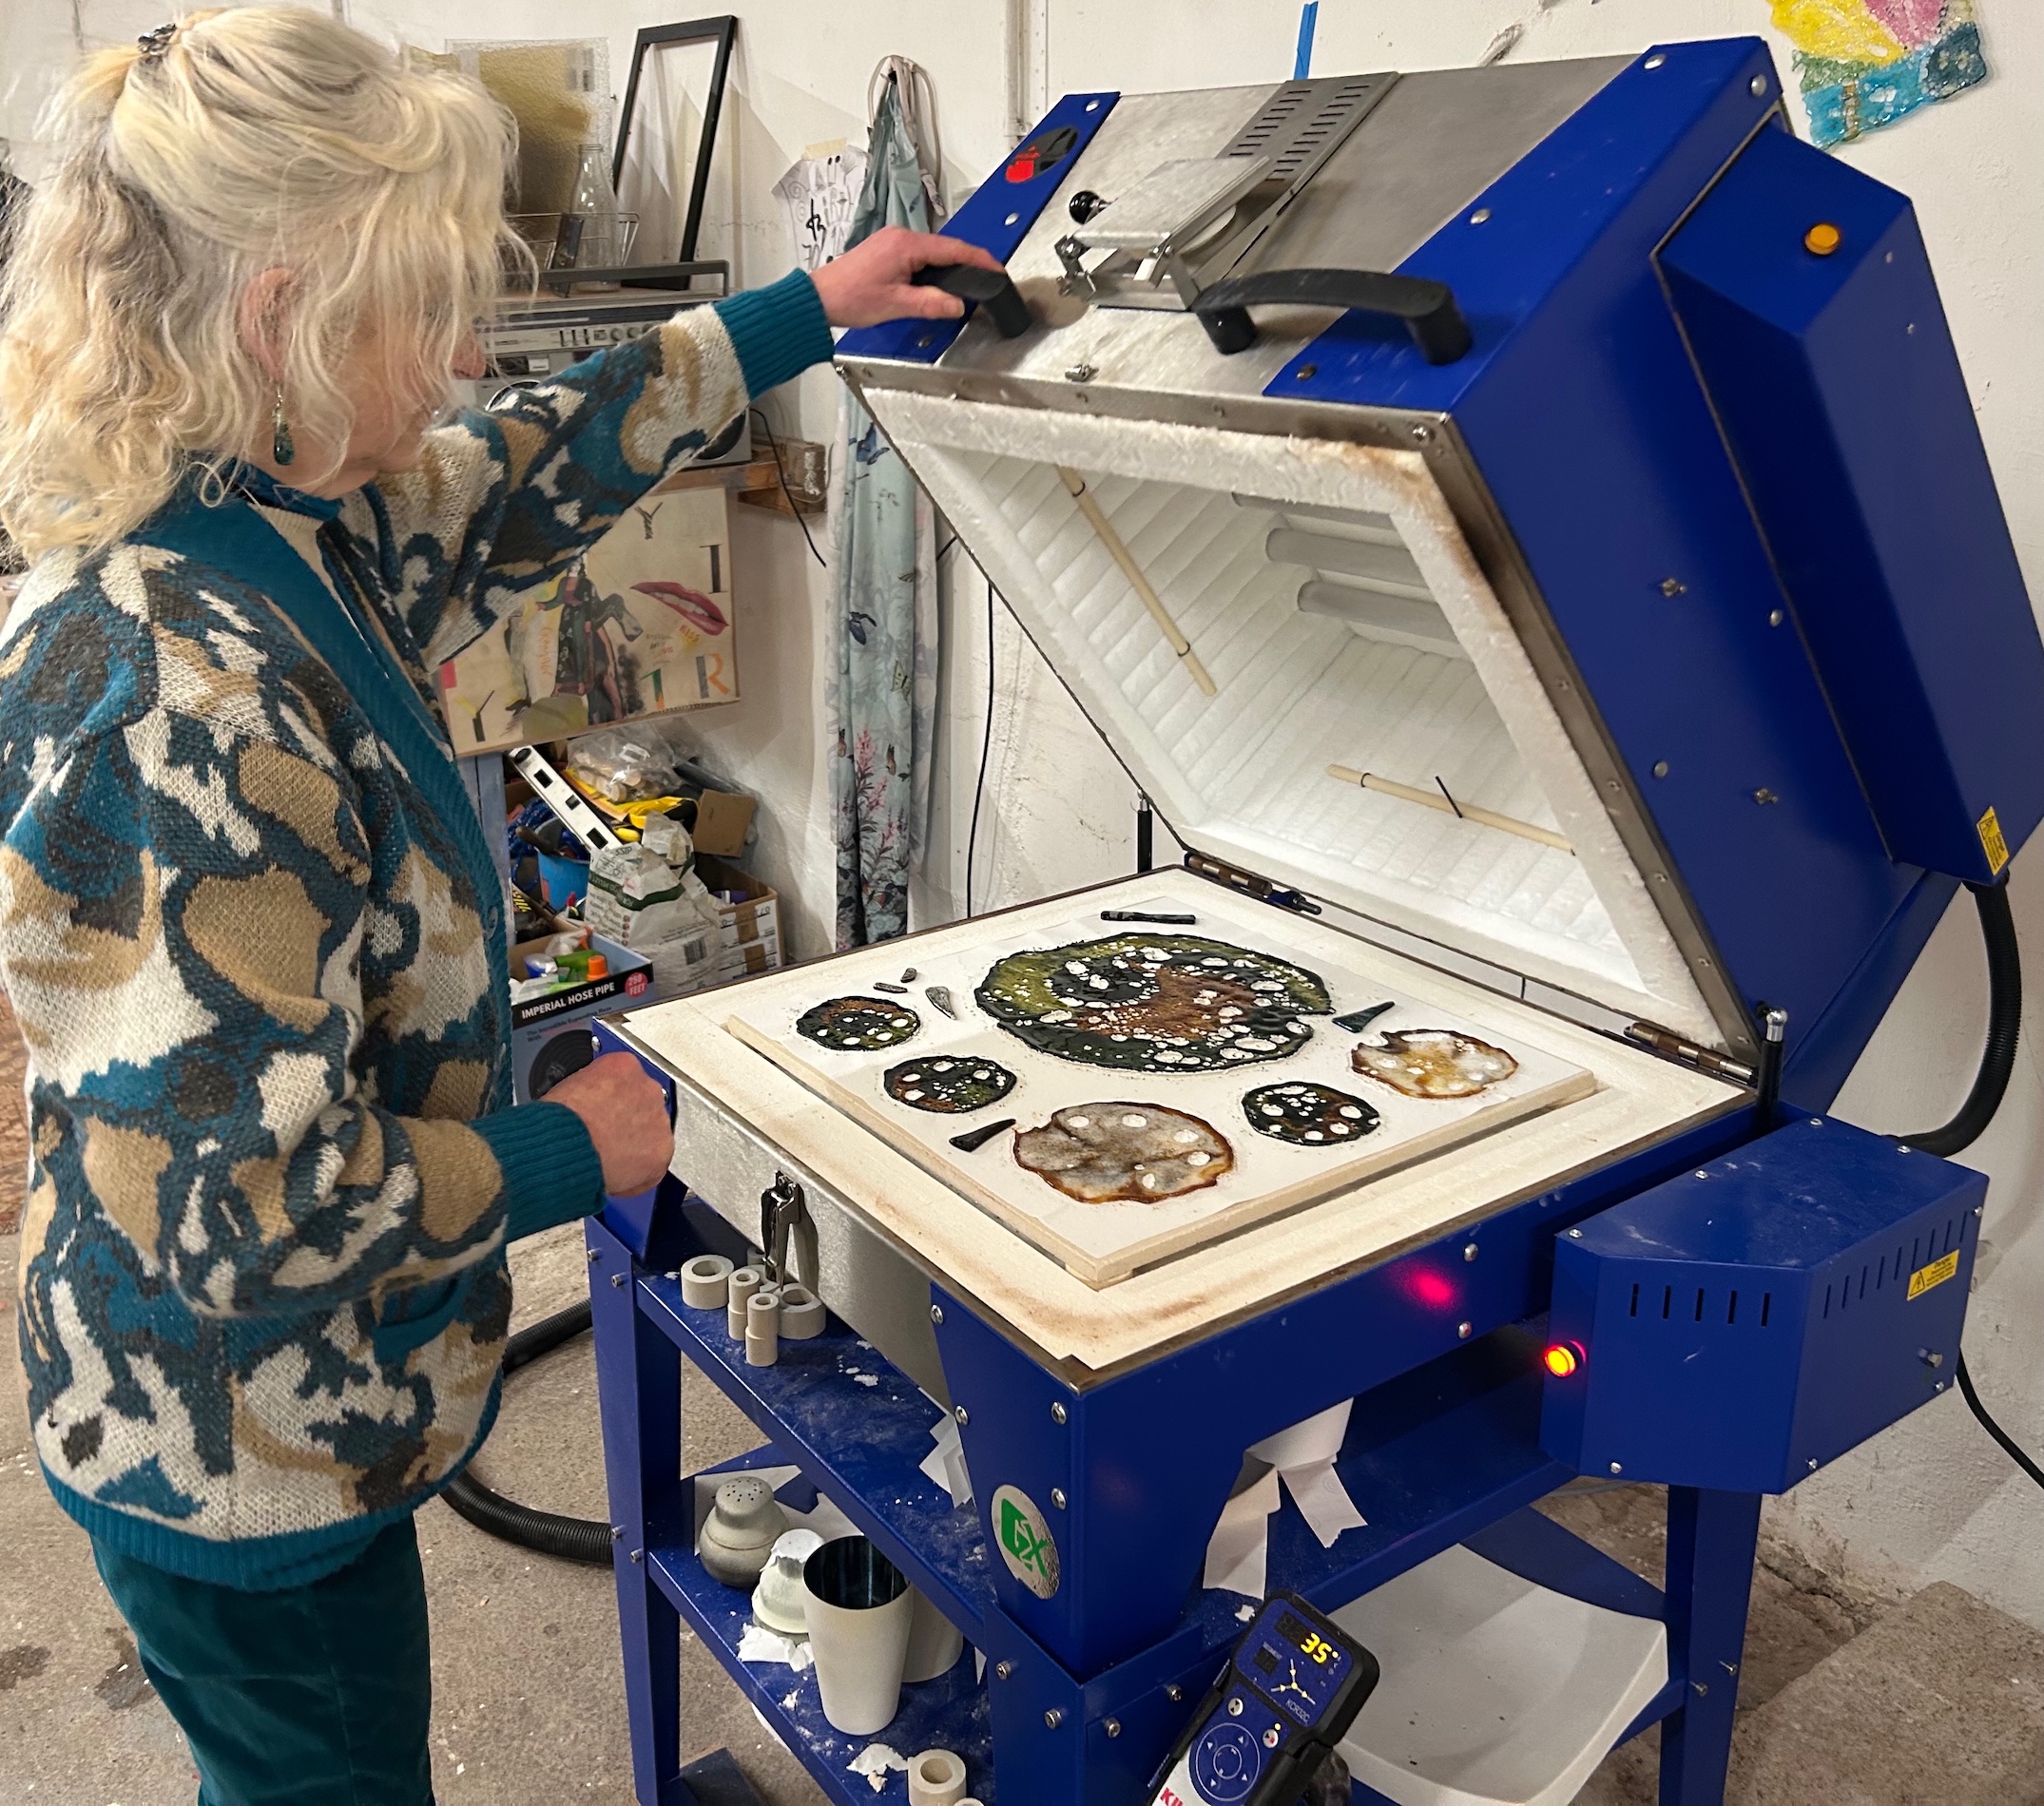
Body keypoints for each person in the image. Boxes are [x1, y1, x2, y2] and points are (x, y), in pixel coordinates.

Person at [0, 11, 998, 1803]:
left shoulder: (256, 510)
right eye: (428, 307)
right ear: (280, 319)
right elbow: (236, 1211)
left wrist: (806, 311)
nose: (468, 356)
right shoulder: (179, 703)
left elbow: (513, 471)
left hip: (305, 1396)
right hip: (232, 1449)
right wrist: (570, 1151)